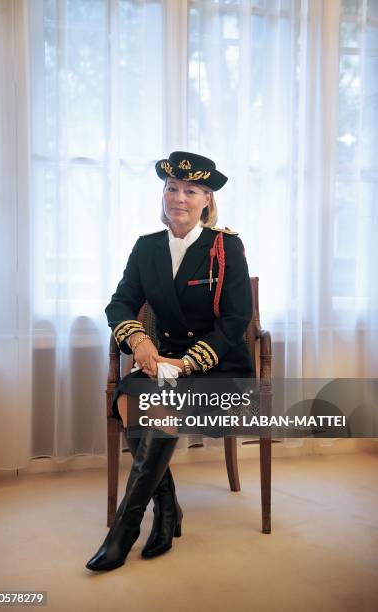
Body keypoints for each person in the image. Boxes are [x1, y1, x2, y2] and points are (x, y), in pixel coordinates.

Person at [86, 151, 253, 572]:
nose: (179, 198)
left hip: (218, 369)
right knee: (128, 401)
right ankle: (166, 510)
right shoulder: (146, 249)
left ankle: (124, 530)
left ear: (206, 200)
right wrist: (139, 341)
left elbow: (236, 321)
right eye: (172, 188)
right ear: (163, 194)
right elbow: (120, 304)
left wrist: (184, 366)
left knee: (156, 405)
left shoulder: (225, 247)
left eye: (190, 190)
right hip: (162, 363)